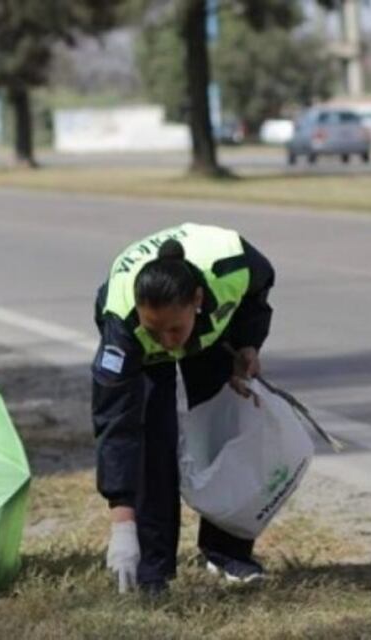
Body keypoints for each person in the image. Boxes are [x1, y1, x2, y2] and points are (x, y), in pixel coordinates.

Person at [92, 223, 275, 594]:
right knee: (151, 441)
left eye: (172, 329)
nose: (166, 341)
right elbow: (117, 427)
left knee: (222, 427)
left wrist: (247, 344)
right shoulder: (123, 329)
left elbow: (258, 292)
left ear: (197, 298)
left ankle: (227, 554)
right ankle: (151, 569)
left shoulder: (232, 266)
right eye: (154, 329)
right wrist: (122, 526)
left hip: (207, 334)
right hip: (147, 348)